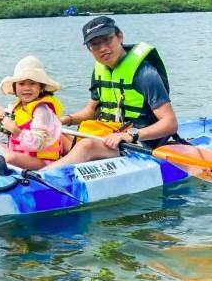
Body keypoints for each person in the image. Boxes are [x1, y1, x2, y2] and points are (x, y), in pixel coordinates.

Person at [44, 16, 178, 169]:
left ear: (119, 36)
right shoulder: (100, 69)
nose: (102, 48)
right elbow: (91, 111)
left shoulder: (145, 73)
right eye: (95, 44)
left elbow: (170, 123)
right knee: (55, 134)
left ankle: (38, 178)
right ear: (89, 49)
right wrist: (62, 120)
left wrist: (129, 135)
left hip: (140, 142)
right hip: (109, 136)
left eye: (107, 40)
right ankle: (29, 167)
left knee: (87, 146)